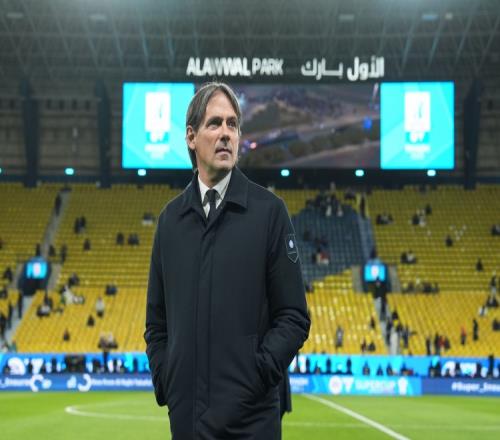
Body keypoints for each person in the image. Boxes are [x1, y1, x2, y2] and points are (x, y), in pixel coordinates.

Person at [144, 82, 310, 439]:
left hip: (251, 423)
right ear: (191, 137)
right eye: (215, 123)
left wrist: (256, 376)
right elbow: (157, 324)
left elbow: (294, 317)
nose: (225, 133)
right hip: (187, 420)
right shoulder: (170, 221)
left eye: (232, 124)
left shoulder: (270, 212)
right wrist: (167, 380)